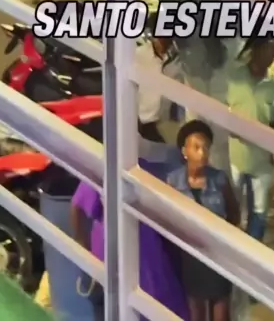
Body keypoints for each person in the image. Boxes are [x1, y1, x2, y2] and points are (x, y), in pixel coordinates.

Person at [71, 134, 188, 321]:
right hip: (112, 252)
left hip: (144, 252)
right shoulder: (104, 168)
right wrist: (81, 243)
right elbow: (77, 206)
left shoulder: (145, 172)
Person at [167, 120, 240, 321]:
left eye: (206, 148)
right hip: (190, 255)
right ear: (185, 151)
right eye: (197, 147)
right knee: (195, 312)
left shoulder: (219, 179)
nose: (203, 153)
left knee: (221, 311)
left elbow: (234, 213)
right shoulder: (173, 181)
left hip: (218, 252)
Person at [227, 36, 274, 242]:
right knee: (232, 209)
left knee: (259, 214)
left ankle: (251, 251)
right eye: (269, 49)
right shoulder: (232, 78)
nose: (272, 55)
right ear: (255, 48)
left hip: (262, 162)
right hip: (233, 157)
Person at [137, 16, 183, 143]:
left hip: (163, 123)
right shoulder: (139, 55)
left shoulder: (177, 60)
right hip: (141, 121)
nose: (164, 40)